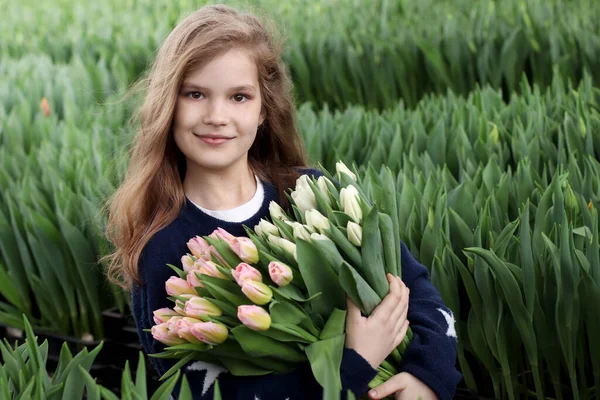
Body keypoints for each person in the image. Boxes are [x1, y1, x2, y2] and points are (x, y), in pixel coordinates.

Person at [103, 5, 462, 399]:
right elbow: (197, 392)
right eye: (195, 94)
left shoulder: (313, 197)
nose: (216, 115)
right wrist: (355, 363)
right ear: (167, 106)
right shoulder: (164, 249)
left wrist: (425, 378)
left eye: (239, 97)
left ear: (263, 111)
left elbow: (416, 293)